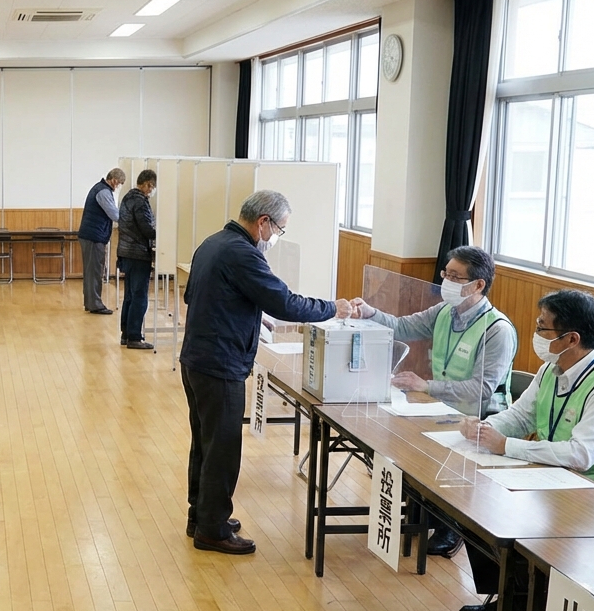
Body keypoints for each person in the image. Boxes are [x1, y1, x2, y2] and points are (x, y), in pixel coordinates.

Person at [455, 290, 594, 611]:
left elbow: (581, 454)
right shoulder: (550, 370)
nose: (536, 335)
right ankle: (513, 602)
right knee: (474, 504)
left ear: (571, 339)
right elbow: (519, 417)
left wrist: (506, 446)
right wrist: (484, 429)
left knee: (529, 528)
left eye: (543, 329)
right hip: (551, 477)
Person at [180, 190, 354, 554]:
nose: (277, 237)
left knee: (206, 442)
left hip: (197, 358)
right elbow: (286, 301)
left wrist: (254, 315)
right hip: (221, 364)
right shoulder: (243, 253)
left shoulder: (213, 243)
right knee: (223, 448)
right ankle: (211, 530)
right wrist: (332, 308)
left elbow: (198, 296)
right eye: (280, 229)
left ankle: (202, 514)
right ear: (263, 222)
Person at [349, 246, 517, 558]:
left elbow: (481, 389)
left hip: (479, 418)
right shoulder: (443, 311)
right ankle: (422, 511)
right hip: (440, 408)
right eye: (445, 274)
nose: (447, 282)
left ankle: (451, 525)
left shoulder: (497, 330)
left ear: (479, 284)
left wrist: (427, 385)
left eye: (455, 277)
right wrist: (370, 313)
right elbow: (402, 326)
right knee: (397, 437)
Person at [117, 169, 157, 350]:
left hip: (126, 252)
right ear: (148, 184)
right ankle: (134, 336)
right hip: (138, 253)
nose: (152, 190)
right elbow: (147, 229)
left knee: (129, 295)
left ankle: (126, 334)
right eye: (153, 187)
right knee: (140, 296)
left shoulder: (127, 198)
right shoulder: (140, 202)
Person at [77, 168, 125, 315]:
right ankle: (95, 304)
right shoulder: (103, 192)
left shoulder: (100, 189)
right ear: (115, 180)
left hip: (91, 235)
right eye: (121, 183)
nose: (119, 186)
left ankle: (91, 302)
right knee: (95, 271)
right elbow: (114, 214)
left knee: (92, 271)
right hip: (93, 237)